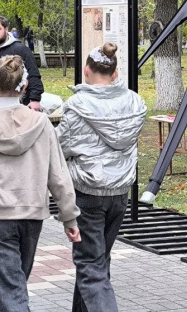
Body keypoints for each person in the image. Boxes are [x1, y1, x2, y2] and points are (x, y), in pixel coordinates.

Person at [0, 55, 81, 311]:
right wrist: (69, 217)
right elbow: (58, 174)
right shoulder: (42, 124)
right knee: (7, 281)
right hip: (32, 214)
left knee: (8, 286)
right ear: (24, 87)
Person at [56, 42, 147, 312]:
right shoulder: (135, 102)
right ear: (115, 73)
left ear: (86, 70)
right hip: (119, 192)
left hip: (87, 192)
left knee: (90, 267)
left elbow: (59, 147)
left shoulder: (77, 105)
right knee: (97, 262)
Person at [0, 15, 44, 110]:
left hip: (19, 102)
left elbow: (33, 74)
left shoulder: (20, 49)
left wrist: (35, 99)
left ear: (6, 29)